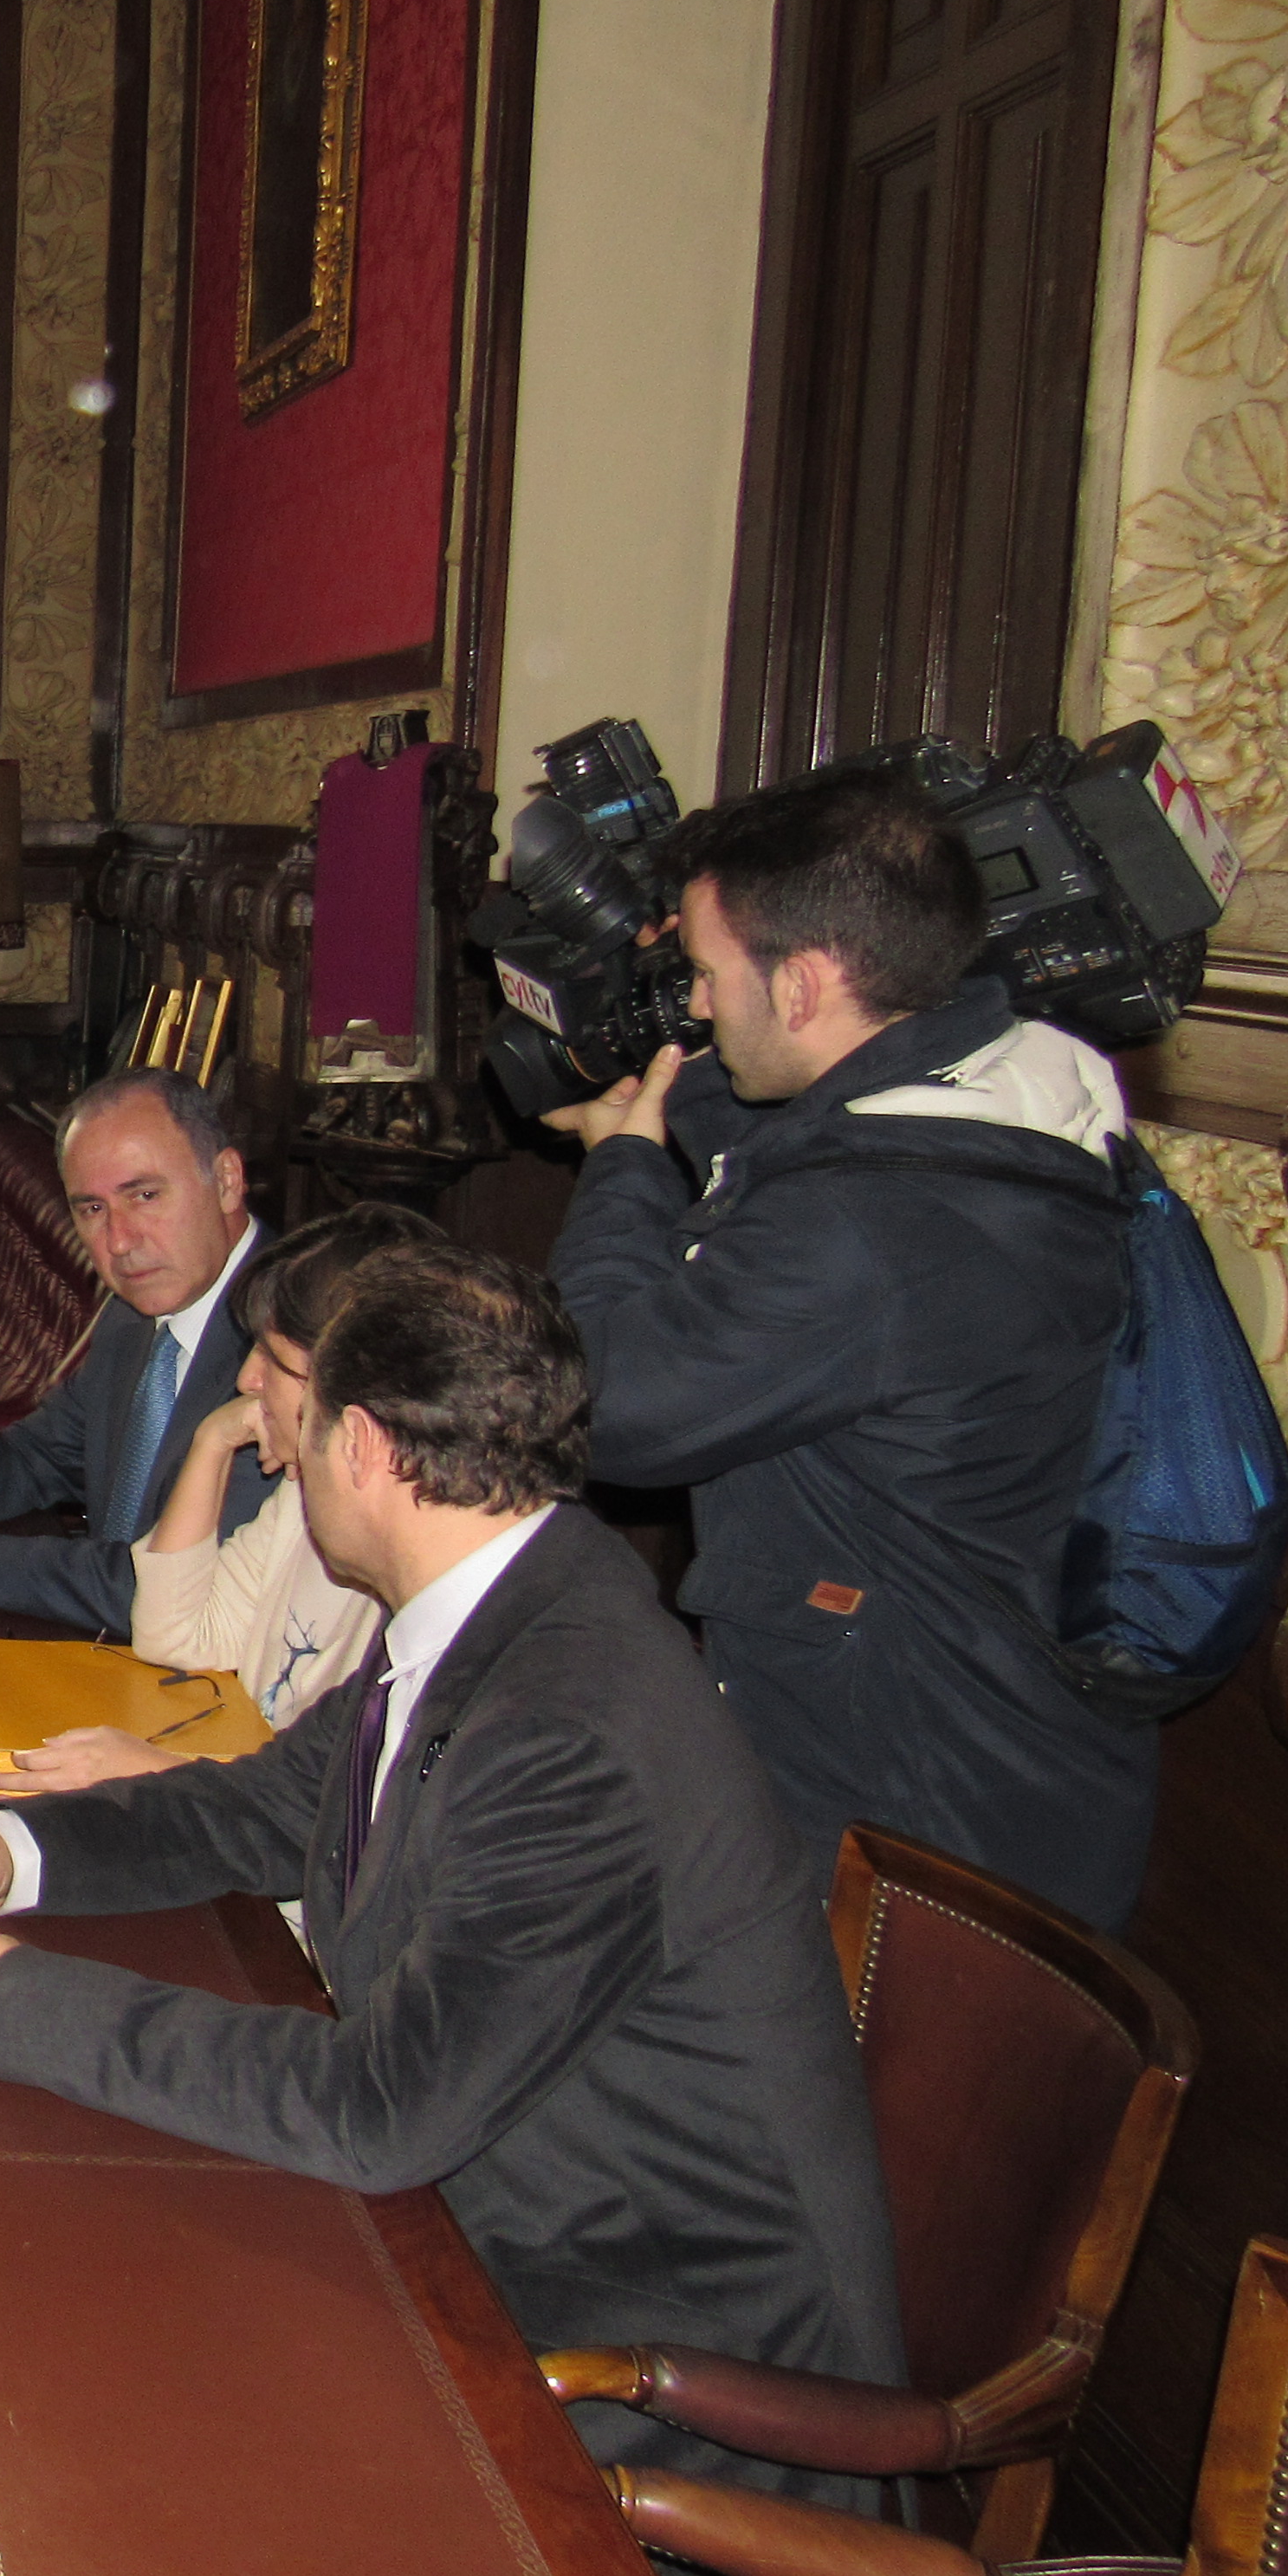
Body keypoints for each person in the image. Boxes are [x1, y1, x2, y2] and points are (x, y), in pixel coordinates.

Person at [0, 1244, 903, 2576]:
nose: (284, 1452)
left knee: (116, 2485)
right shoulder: (501, 1609)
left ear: (366, 1447)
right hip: (509, 2248)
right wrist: (13, 1853)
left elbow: (383, 2111)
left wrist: (20, 2006)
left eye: (302, 1423)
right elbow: (263, 1809)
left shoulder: (572, 1724)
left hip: (667, 2404)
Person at [542, 762, 1149, 1929]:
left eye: (708, 976)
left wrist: (621, 1168)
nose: (697, 1007)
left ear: (805, 984)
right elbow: (803, 1140)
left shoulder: (869, 1231)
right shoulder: (1009, 1098)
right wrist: (671, 1094)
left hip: (913, 1836)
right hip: (1007, 1762)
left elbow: (605, 1403)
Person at [0, 1201, 424, 1790]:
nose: (248, 1379)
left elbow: (347, 1803)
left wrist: (160, 1771)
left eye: (272, 1358)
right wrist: (212, 1441)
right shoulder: (300, 1499)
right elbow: (176, 1635)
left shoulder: (405, 1557)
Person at [0, 1066, 272, 1630]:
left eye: (145, 1195)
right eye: (92, 1209)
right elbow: (44, 1450)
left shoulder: (288, 1346)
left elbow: (176, 1589)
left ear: (227, 1180)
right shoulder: (134, 1311)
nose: (119, 1241)